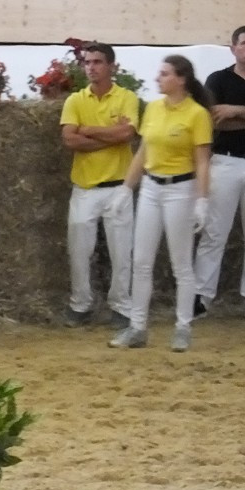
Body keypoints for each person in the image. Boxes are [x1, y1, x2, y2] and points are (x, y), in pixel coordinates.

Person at [107, 55, 212, 352]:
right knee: (141, 260)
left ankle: (183, 327)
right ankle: (138, 326)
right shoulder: (152, 108)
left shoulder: (196, 114)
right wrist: (126, 189)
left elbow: (202, 161)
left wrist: (202, 199)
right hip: (152, 187)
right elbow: (142, 152)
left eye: (164, 74)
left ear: (181, 79)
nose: (157, 78)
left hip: (181, 188)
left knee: (181, 263)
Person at [59, 42, 140, 328]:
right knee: (79, 251)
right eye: (87, 62)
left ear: (112, 67)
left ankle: (121, 306)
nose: (91, 67)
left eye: (98, 62)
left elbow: (127, 135)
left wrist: (89, 130)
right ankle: (80, 305)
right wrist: (109, 135)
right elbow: (69, 140)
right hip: (84, 187)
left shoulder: (127, 97)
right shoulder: (75, 101)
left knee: (122, 252)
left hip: (119, 186)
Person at [193, 25, 245, 319]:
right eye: (244, 43)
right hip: (225, 162)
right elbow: (213, 120)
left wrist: (236, 111)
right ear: (233, 48)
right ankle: (201, 298)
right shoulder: (217, 79)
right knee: (214, 233)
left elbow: (228, 117)